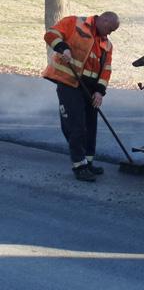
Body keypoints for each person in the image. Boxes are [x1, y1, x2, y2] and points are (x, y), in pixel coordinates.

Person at [43, 12, 120, 181]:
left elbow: (106, 70)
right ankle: (79, 165)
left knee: (90, 126)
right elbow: (51, 34)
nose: (109, 33)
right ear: (104, 19)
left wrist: (100, 91)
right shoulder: (74, 23)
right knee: (76, 126)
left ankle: (89, 162)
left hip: (91, 90)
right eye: (110, 29)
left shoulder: (107, 45)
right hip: (69, 83)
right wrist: (64, 48)